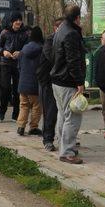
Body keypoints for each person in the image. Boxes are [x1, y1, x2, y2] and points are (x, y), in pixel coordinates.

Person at [50, 5, 86, 164]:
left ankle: (63, 145)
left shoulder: (61, 30)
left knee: (63, 114)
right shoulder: (71, 33)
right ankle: (67, 152)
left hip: (57, 80)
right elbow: (73, 61)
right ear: (77, 18)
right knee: (73, 116)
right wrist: (79, 82)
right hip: (67, 81)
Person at [0, 13, 28, 122]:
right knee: (5, 88)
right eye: (16, 20)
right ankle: (1, 112)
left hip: (18, 64)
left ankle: (16, 114)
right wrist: (3, 51)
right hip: (5, 63)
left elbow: (27, 48)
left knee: (17, 90)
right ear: (11, 22)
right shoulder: (4, 32)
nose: (18, 22)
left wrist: (21, 52)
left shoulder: (25, 33)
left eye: (20, 20)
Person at [38, 17, 63, 151]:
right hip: (48, 81)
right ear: (56, 28)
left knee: (64, 112)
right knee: (50, 111)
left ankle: (65, 139)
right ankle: (48, 139)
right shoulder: (50, 40)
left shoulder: (68, 39)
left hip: (62, 80)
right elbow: (51, 57)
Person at [17, 26, 44, 136]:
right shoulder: (42, 49)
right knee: (36, 107)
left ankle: (21, 127)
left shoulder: (23, 49)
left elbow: (19, 66)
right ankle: (33, 127)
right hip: (35, 84)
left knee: (24, 105)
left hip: (23, 83)